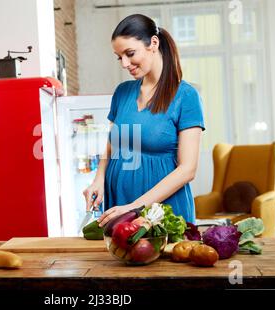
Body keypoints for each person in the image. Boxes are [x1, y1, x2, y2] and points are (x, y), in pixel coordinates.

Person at [83, 14, 205, 227]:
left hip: (161, 211)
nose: (124, 63)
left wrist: (134, 208)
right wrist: (98, 179)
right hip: (118, 202)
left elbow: (188, 169)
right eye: (119, 57)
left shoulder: (186, 96)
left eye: (130, 53)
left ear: (153, 44)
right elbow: (114, 145)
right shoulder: (122, 93)